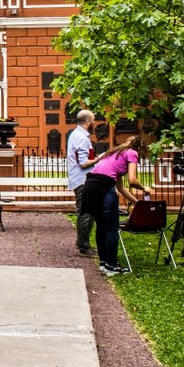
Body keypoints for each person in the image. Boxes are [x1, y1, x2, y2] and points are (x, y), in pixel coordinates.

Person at [81, 136, 148, 276]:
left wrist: (136, 202)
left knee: (101, 226)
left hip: (91, 185)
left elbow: (121, 187)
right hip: (104, 187)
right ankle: (112, 266)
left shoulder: (113, 154)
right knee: (111, 227)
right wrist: (144, 188)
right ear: (140, 148)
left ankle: (104, 263)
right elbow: (132, 180)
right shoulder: (132, 153)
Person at [66, 109, 97, 256]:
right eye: (93, 120)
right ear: (87, 122)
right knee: (85, 213)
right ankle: (84, 247)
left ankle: (82, 242)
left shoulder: (76, 135)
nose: (95, 122)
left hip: (80, 179)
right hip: (82, 179)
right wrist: (100, 159)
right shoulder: (82, 138)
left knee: (88, 212)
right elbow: (83, 163)